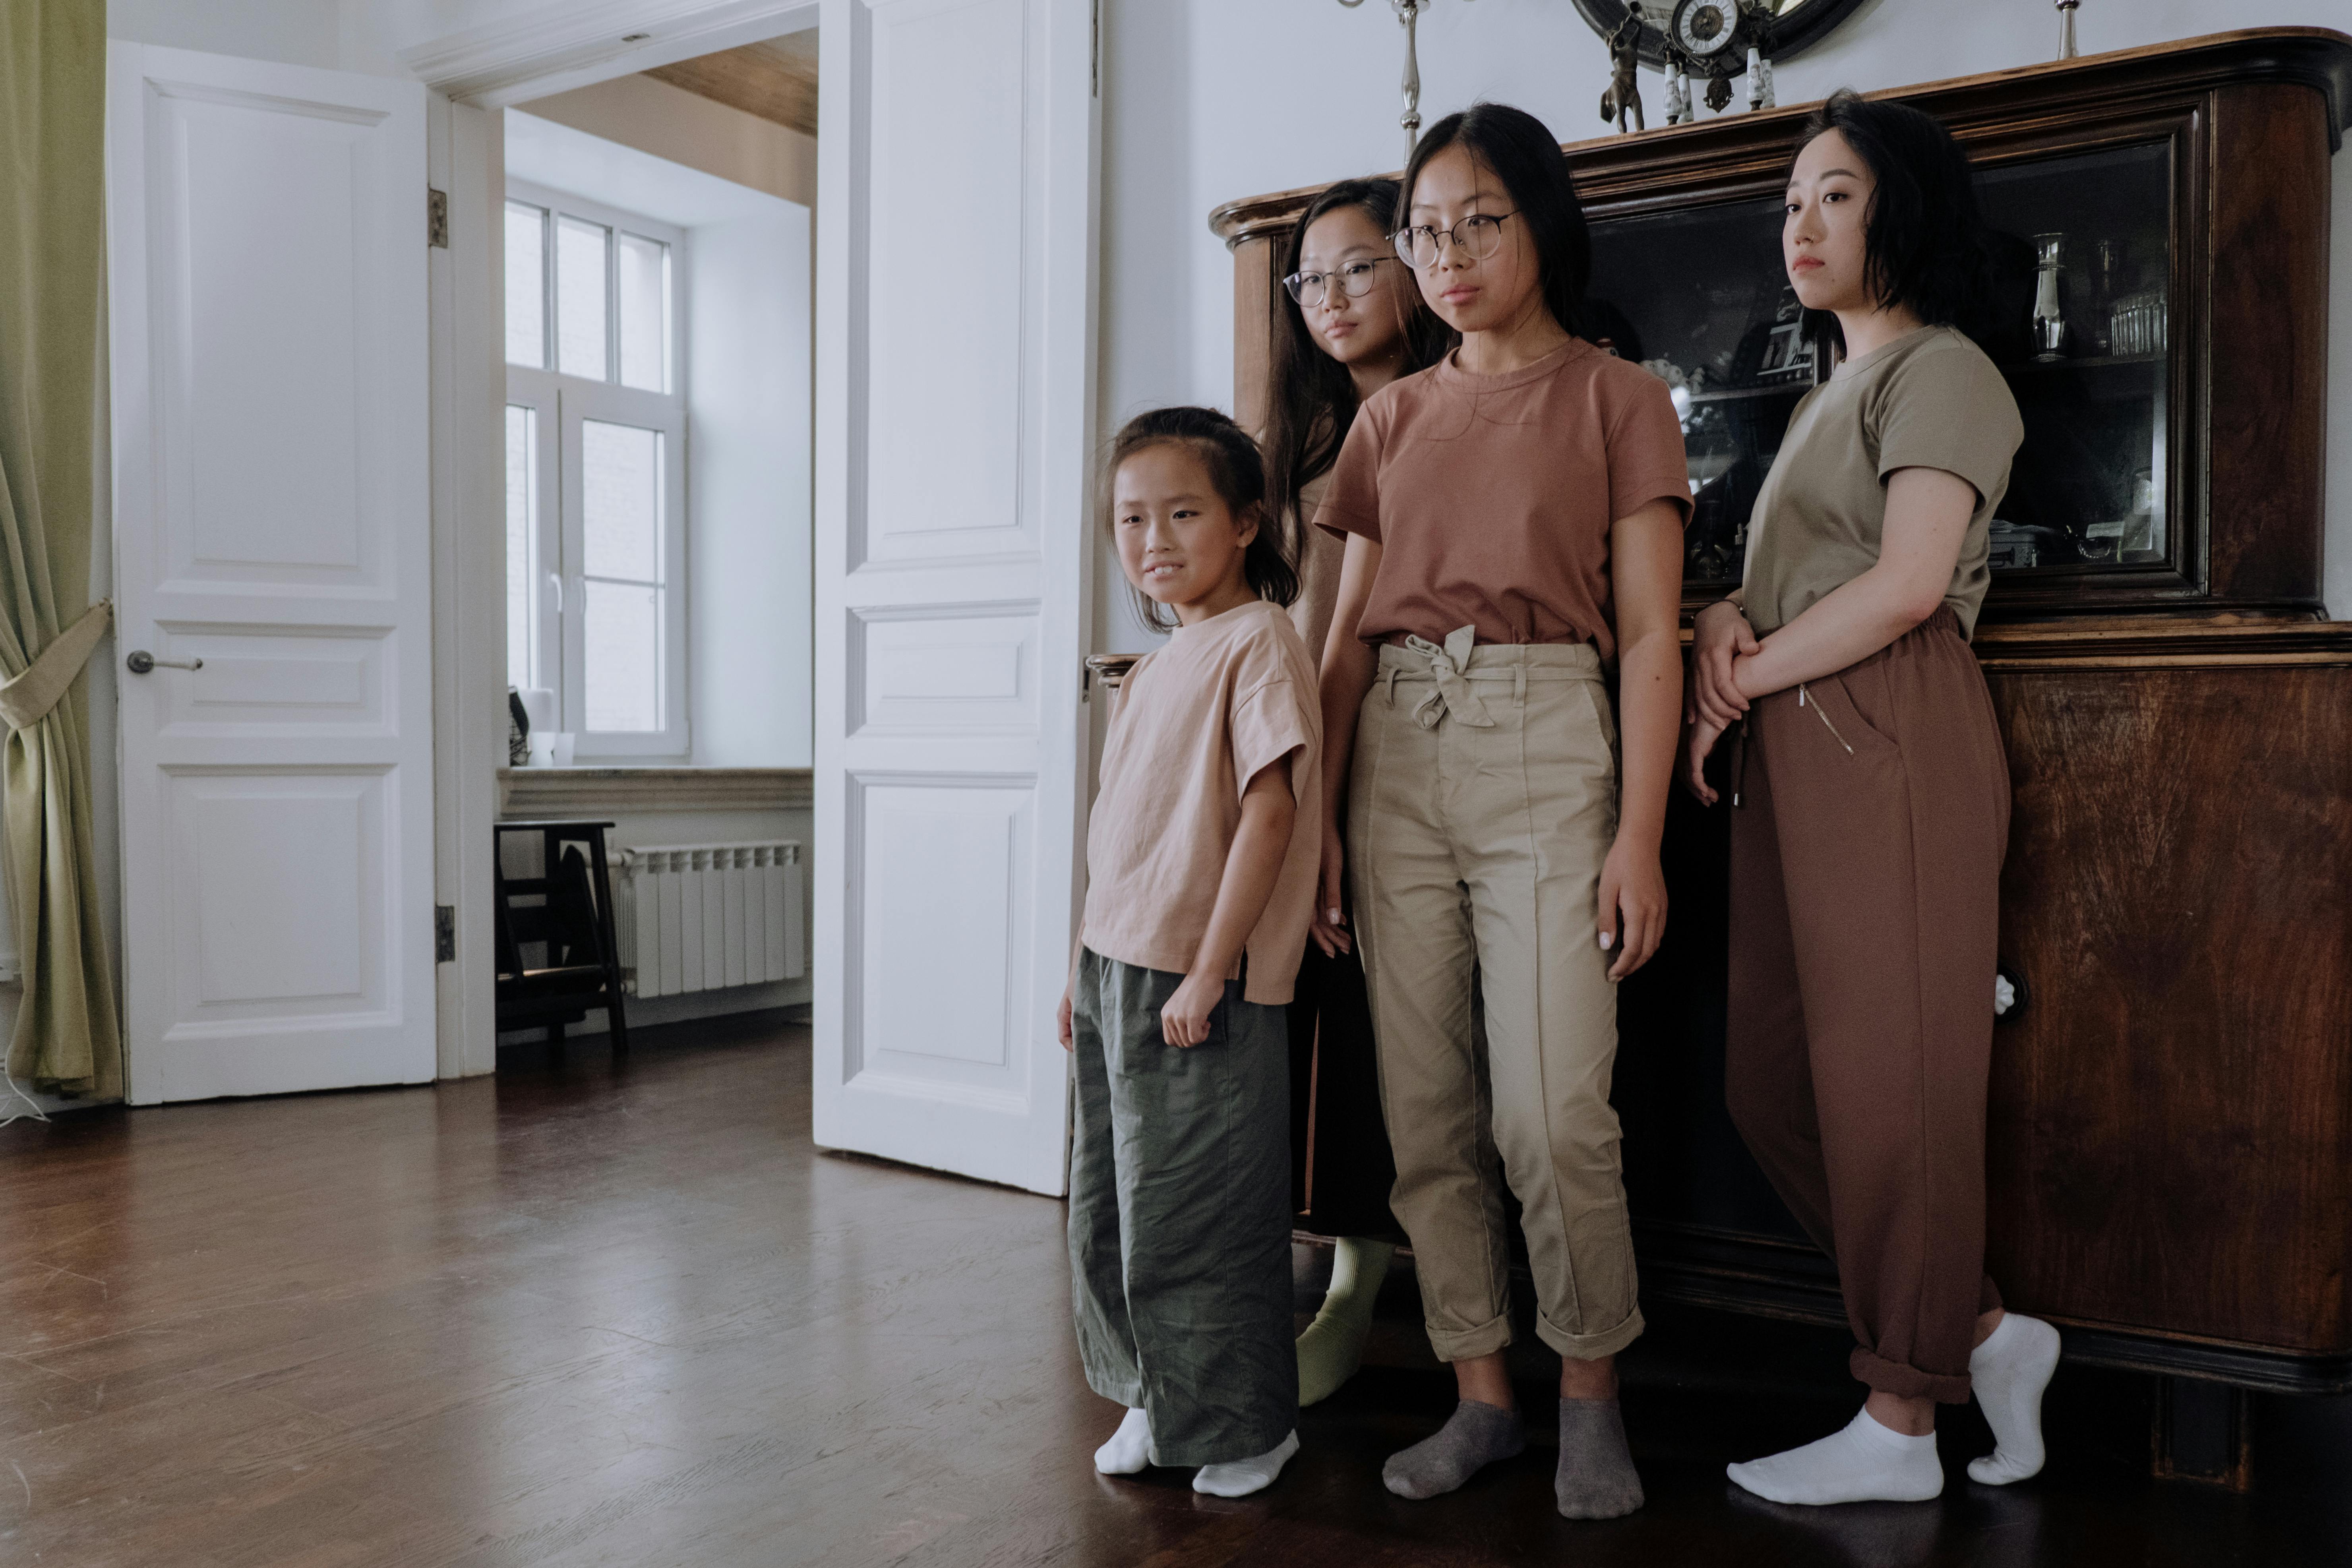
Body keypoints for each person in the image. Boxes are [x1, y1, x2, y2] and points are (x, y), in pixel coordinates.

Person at [1682, 89, 2061, 1507]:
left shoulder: (1942, 368)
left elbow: (1906, 585)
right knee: (1776, 1082)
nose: (1800, 221)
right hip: (1802, 731)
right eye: (1790, 198)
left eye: (1832, 193)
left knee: (1896, 1085)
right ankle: (1978, 1333)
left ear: (1899, 208)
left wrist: (1751, 658)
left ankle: (1903, 1422)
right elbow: (1798, 575)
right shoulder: (1826, 395)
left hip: (1890, 726)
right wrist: (1727, 626)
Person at [1312, 102, 1689, 1520]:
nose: (1448, 256)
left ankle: (1590, 1390)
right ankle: (1482, 1397)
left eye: (1480, 222)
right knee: (1426, 1112)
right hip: (1395, 757)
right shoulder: (1389, 417)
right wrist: (1321, 839)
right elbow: (1346, 638)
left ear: (1541, 219)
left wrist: (1638, 832)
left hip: (1548, 739)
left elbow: (1652, 637)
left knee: (1552, 1110)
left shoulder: (1617, 397)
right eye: (1424, 233)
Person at [1059, 406, 1323, 1499]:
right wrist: (1078, 970)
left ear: (1248, 521)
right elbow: (1120, 832)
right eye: (1130, 519)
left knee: (1203, 1206)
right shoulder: (1151, 666)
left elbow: (1269, 811)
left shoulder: (1260, 639)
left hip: (1198, 975)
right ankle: (1151, 1392)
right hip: (1118, 965)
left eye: (1182, 512)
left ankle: (1248, 1422)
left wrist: (1214, 967)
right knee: (1113, 1201)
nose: (1153, 538)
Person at [1260, 175, 1448, 1407]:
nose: (1330, 299)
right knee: (1306, 995)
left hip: (1407, 738)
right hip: (1297, 736)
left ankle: (1371, 1263)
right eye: (1309, 278)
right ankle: (1317, 1247)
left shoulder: (1445, 414)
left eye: (1358, 267)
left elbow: (1364, 633)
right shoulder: (1311, 437)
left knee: (1392, 1006)